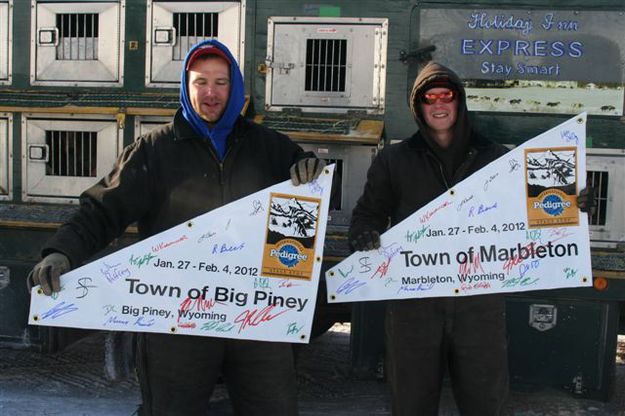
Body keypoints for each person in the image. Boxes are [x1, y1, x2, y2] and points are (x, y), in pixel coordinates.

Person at [27, 39, 324, 416]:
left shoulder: (270, 147)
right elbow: (101, 211)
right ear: (186, 86)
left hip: (255, 318)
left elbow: (301, 206)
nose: (211, 93)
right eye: (201, 82)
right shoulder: (153, 151)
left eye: (221, 82)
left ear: (236, 88)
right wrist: (61, 251)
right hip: (176, 321)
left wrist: (309, 169)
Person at [349, 61, 595, 415]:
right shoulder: (395, 159)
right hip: (414, 303)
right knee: (410, 402)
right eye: (428, 97)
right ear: (418, 107)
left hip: (479, 304)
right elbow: (367, 214)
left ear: (459, 101)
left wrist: (571, 206)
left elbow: (529, 215)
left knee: (486, 402)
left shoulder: (495, 157)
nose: (438, 104)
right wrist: (363, 235)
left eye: (445, 95)